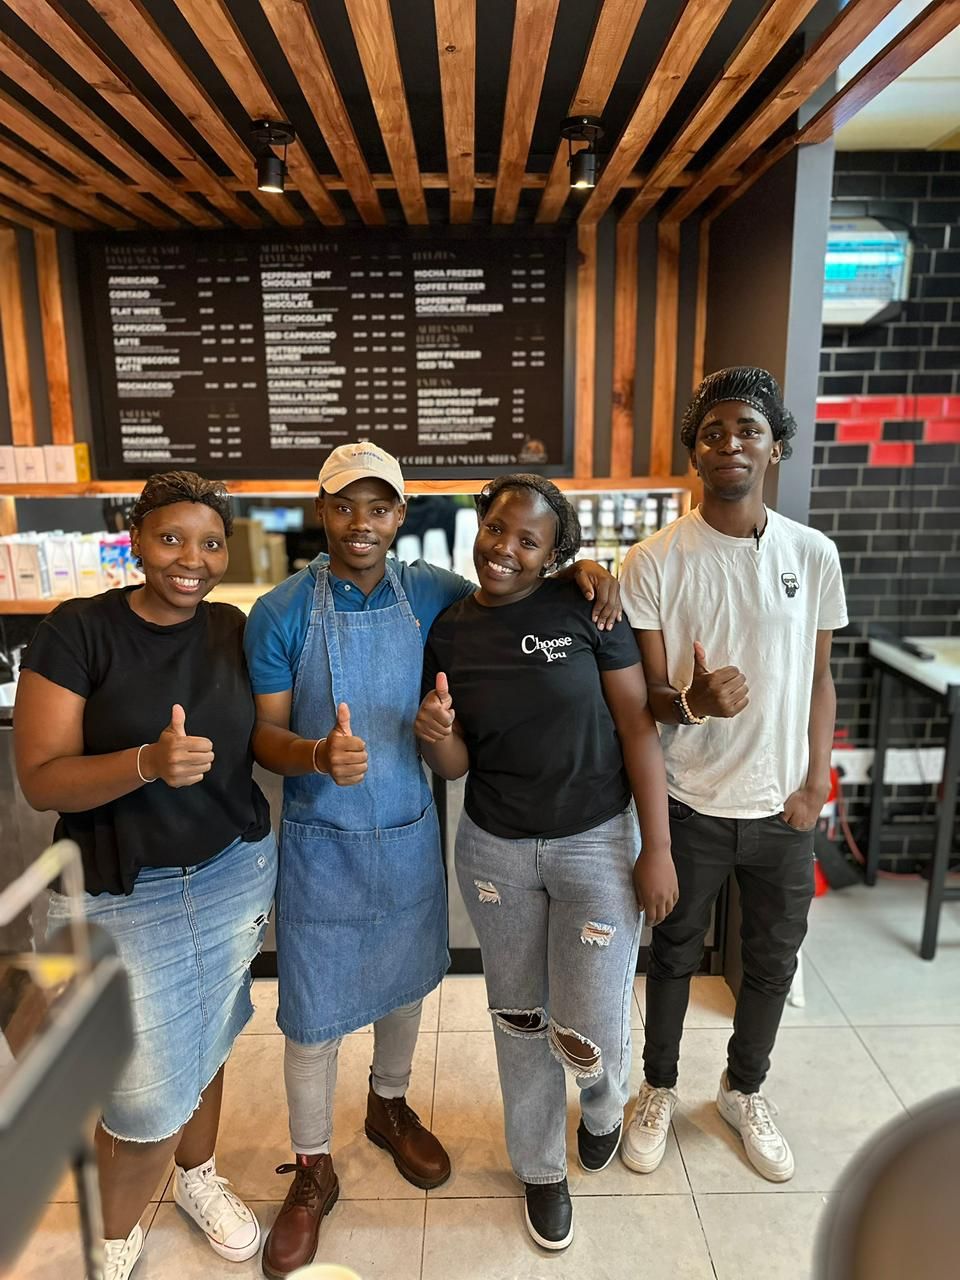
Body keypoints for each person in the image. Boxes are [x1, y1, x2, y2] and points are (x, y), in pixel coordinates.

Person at [243, 442, 622, 1278]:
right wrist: (314, 755)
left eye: (379, 508)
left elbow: (516, 586)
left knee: (407, 986)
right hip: (320, 841)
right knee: (309, 1018)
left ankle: (389, 1106)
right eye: (345, 506)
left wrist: (586, 572)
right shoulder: (279, 612)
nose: (362, 524)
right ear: (321, 510)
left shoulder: (432, 594)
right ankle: (311, 1167)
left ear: (401, 516)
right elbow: (263, 734)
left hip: (409, 828)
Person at [14, 472, 276, 1280]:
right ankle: (113, 1232)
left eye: (209, 543)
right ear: (135, 541)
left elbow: (264, 736)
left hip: (232, 873)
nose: (192, 560)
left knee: (211, 1034)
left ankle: (198, 1178)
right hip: (120, 895)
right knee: (145, 1096)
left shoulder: (230, 629)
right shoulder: (78, 631)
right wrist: (145, 764)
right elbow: (41, 780)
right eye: (170, 539)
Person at [414, 473, 676, 1251]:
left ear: (554, 553)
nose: (504, 549)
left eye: (528, 540)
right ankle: (539, 1169)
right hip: (495, 849)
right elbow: (458, 764)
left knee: (586, 1021)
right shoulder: (451, 631)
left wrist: (656, 848)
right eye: (496, 529)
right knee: (520, 1017)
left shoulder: (587, 607)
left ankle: (602, 1103)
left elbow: (638, 728)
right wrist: (436, 734)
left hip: (596, 840)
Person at [618, 366, 847, 1183]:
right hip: (690, 804)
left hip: (783, 809)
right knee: (674, 954)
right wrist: (695, 700)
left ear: (775, 446)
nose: (730, 444)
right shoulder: (652, 561)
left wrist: (816, 783)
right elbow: (647, 701)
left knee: (773, 961)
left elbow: (820, 680)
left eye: (748, 429)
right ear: (695, 455)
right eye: (712, 432)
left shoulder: (812, 555)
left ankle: (743, 1090)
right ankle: (658, 1087)